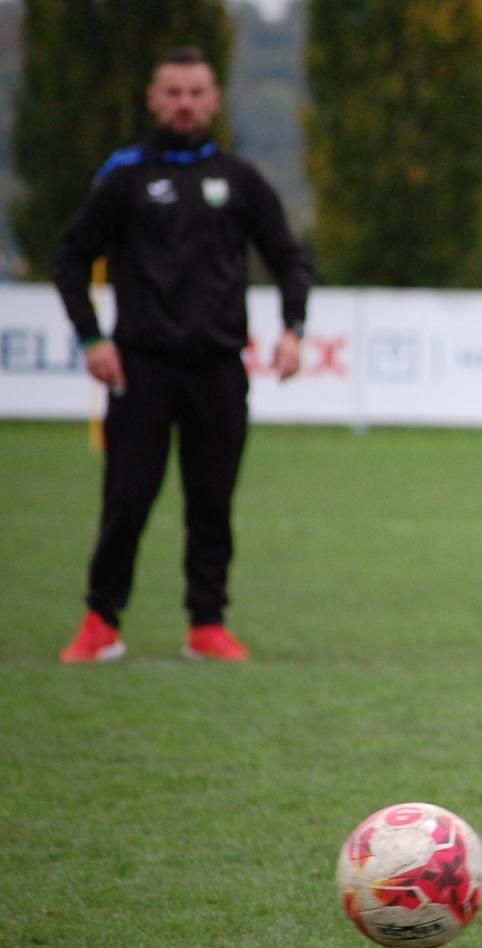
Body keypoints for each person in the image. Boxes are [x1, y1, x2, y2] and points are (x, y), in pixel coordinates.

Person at [54, 47, 312, 664]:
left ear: (214, 100)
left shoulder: (241, 179)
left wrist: (293, 328)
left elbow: (289, 257)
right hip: (140, 367)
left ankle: (207, 623)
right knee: (128, 497)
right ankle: (101, 621)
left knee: (212, 502)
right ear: (153, 99)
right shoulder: (126, 177)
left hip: (219, 369)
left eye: (196, 92)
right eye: (173, 92)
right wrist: (91, 339)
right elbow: (70, 256)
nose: (185, 104)